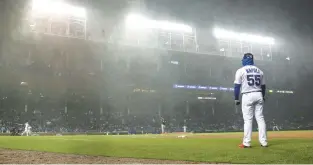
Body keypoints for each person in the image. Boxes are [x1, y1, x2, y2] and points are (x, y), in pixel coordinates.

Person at [234, 53, 268, 148]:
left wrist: (236, 98)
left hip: (247, 95)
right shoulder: (260, 71)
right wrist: (263, 96)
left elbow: (237, 86)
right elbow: (263, 86)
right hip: (259, 94)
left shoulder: (241, 70)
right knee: (260, 118)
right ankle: (264, 142)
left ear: (244, 60)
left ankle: (247, 143)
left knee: (248, 120)